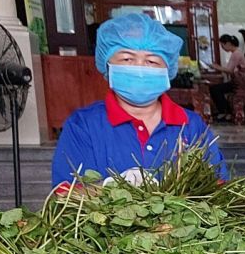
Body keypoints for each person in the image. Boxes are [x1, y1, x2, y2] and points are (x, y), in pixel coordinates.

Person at [52, 13, 228, 191]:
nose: (140, 68)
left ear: (167, 69)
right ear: (107, 64)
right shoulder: (84, 126)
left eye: (152, 61)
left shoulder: (190, 125)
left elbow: (218, 187)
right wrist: (109, 190)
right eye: (127, 59)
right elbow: (64, 193)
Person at [207, 33, 245, 119]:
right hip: (237, 81)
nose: (222, 48)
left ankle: (224, 111)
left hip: (238, 83)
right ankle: (225, 111)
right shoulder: (236, 53)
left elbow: (230, 70)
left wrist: (216, 67)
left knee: (215, 89)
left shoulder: (236, 54)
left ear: (228, 43)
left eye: (222, 45)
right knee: (216, 88)